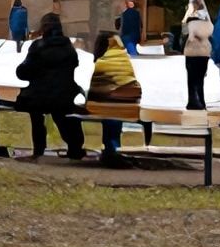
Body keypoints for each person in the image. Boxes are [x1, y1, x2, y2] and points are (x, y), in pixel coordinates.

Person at [14, 12, 85, 161]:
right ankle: (75, 147)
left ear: (43, 28)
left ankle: (39, 149)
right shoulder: (68, 46)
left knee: (36, 111)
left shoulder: (38, 46)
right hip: (65, 95)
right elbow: (74, 65)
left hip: (40, 96)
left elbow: (23, 72)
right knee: (62, 112)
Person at [88, 30, 141, 164]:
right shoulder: (125, 59)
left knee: (108, 110)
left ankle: (110, 150)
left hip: (110, 107)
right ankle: (113, 149)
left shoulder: (102, 61)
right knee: (116, 111)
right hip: (130, 105)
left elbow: (95, 90)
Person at [182, 0, 213, 112]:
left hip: (192, 51)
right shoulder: (206, 17)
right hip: (205, 51)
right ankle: (201, 101)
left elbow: (185, 33)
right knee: (200, 78)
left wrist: (186, 16)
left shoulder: (191, 18)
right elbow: (210, 31)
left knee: (191, 78)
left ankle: (193, 102)